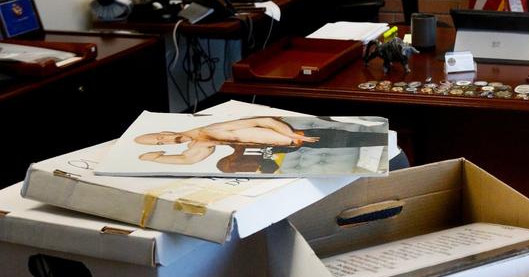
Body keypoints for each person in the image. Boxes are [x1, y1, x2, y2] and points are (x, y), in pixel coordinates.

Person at [135, 115, 387, 166]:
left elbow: (264, 121)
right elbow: (186, 160)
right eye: (160, 143)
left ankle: (385, 140)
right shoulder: (200, 144)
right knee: (352, 144)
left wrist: (292, 135)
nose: (165, 141)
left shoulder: (212, 126)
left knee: (363, 138)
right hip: (287, 145)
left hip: (292, 134)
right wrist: (155, 157)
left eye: (160, 137)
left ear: (165, 129)